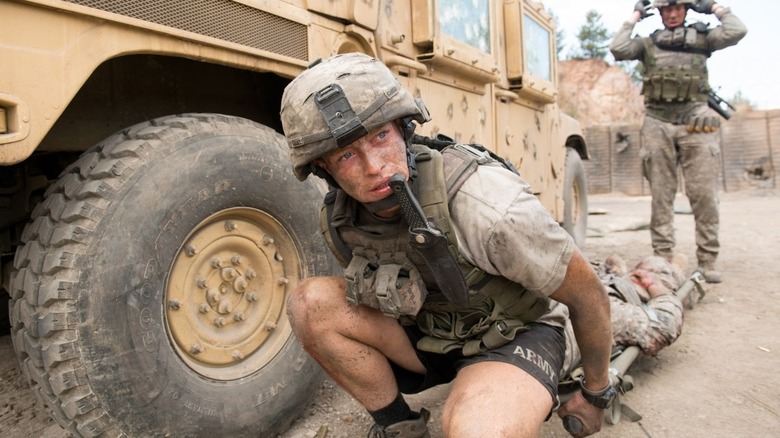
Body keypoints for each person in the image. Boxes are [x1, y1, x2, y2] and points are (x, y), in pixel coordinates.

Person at [279, 52, 614, 438]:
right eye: (348, 155)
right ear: (324, 167)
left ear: (405, 128)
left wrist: (596, 391)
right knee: (310, 304)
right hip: (429, 334)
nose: (374, 167)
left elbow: (587, 294)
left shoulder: (485, 205)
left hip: (514, 333)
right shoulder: (341, 219)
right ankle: (399, 425)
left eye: (381, 137)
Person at [609, 0, 747, 284]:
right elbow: (618, 48)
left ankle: (708, 261)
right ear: (658, 13)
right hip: (657, 122)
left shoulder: (703, 38)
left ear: (687, 10)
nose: (672, 14)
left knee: (704, 195)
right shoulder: (648, 44)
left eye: (678, 8)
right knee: (661, 196)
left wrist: (712, 8)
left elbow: (737, 30)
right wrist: (635, 15)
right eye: (666, 9)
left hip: (695, 120)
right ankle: (662, 258)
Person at [562, 254, 687, 381]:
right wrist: (661, 291)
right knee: (662, 265)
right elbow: (664, 326)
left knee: (657, 264)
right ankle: (676, 268)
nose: (641, 273)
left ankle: (675, 267)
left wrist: (611, 269)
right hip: (604, 294)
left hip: (600, 285)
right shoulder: (607, 309)